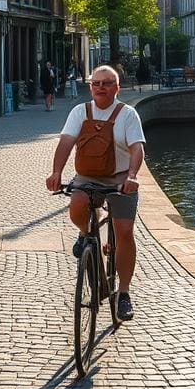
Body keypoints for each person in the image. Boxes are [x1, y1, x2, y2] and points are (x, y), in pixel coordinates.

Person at [46, 65, 145, 321]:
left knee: (124, 232)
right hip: (88, 177)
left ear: (117, 88)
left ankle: (123, 293)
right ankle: (84, 234)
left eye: (107, 83)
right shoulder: (80, 111)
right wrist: (56, 172)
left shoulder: (128, 114)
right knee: (77, 204)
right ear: (90, 87)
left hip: (120, 179)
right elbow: (66, 142)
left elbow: (137, 148)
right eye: (96, 83)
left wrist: (132, 176)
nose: (101, 87)